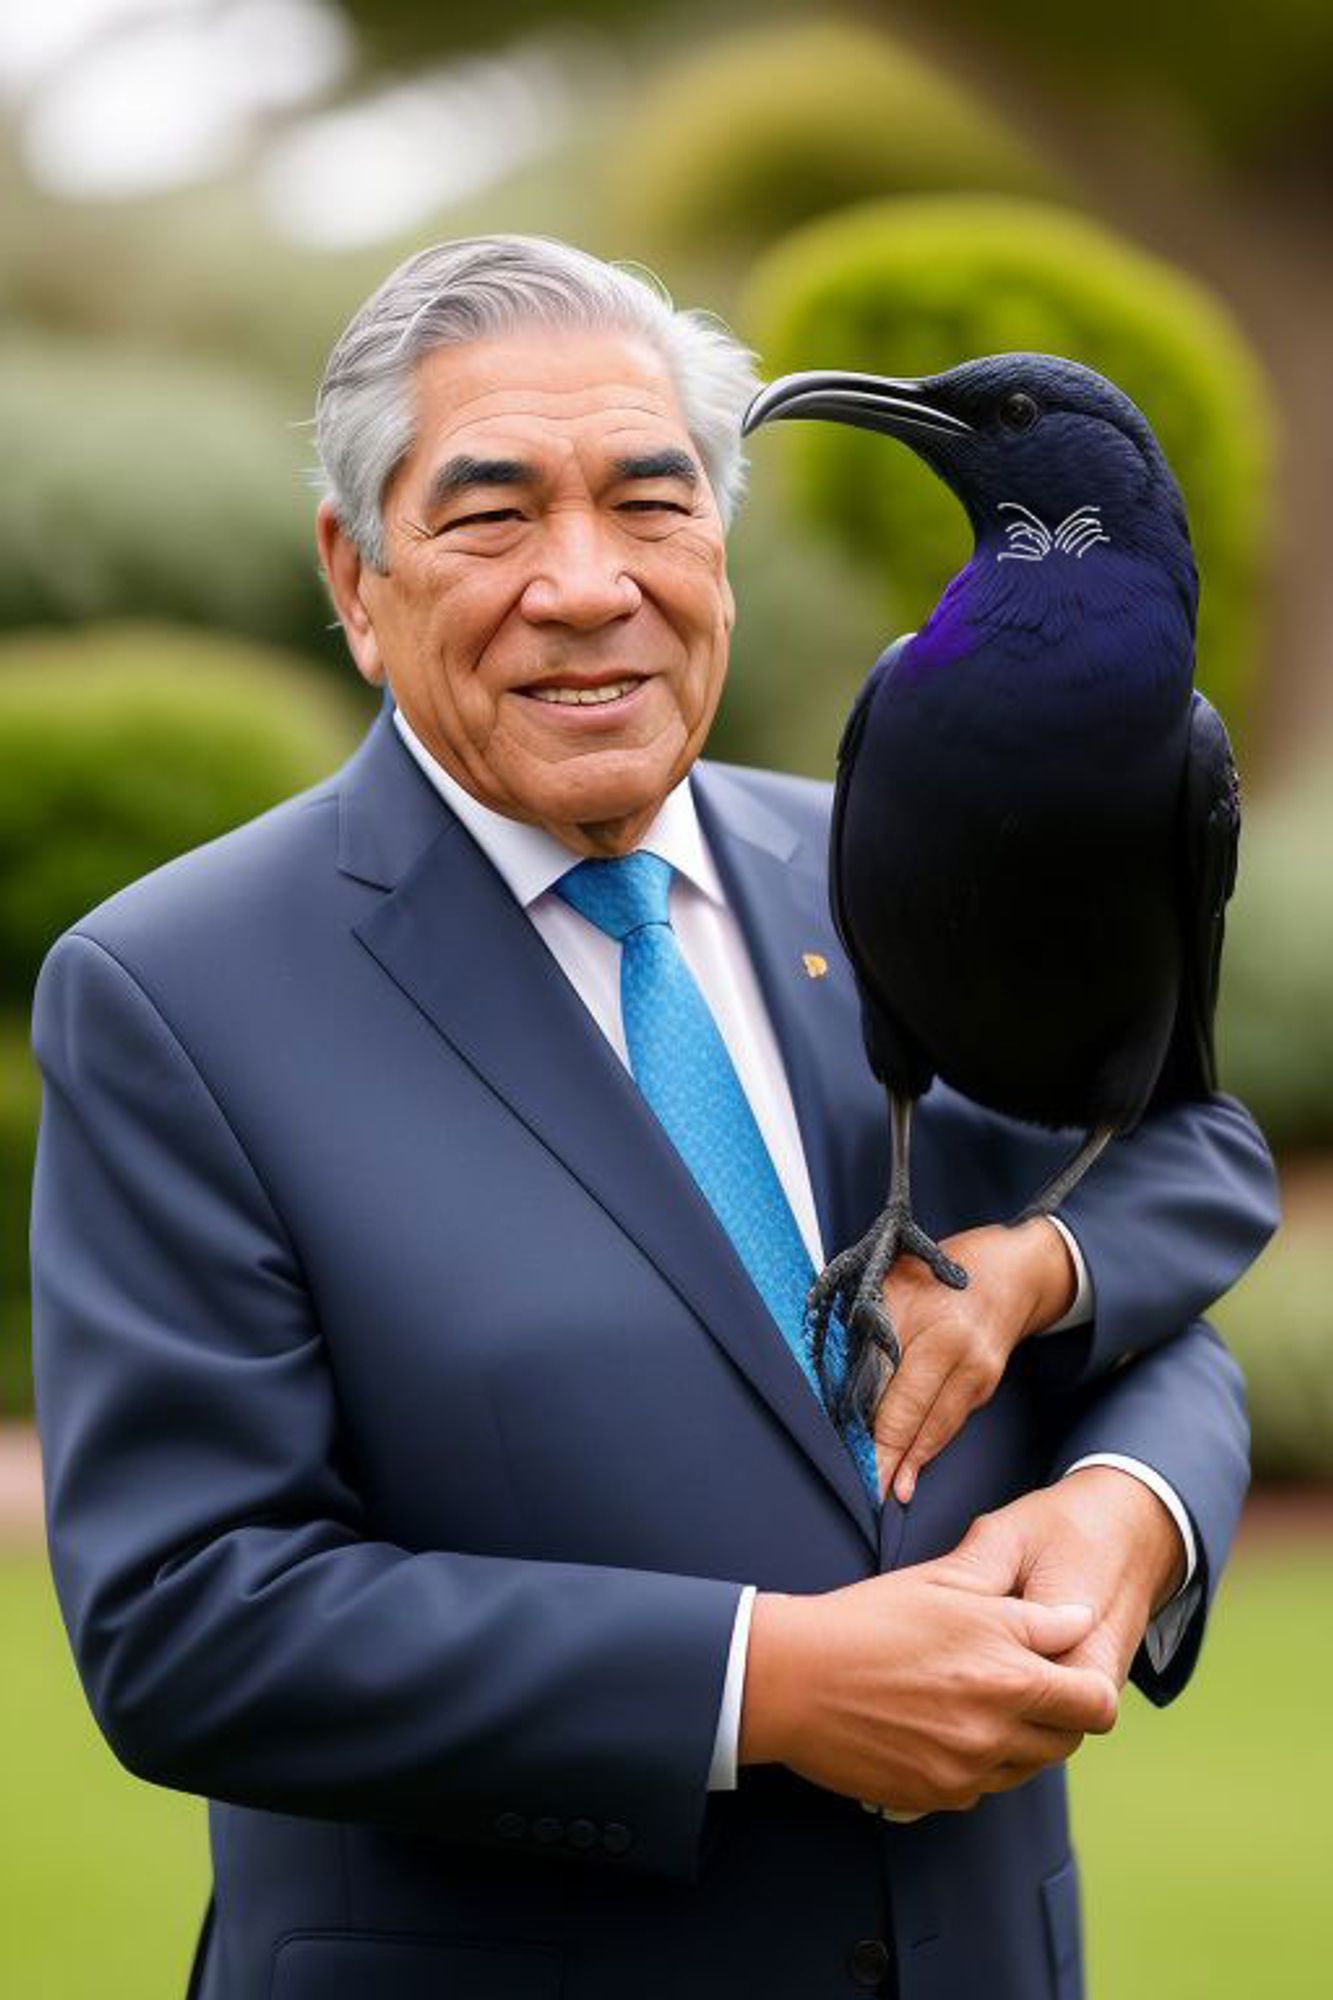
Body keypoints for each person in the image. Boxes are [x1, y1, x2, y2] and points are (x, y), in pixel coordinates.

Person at [29, 235, 1278, 2000]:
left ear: (720, 550)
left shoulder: (891, 845)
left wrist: (1128, 1506)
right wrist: (767, 1682)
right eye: (489, 518)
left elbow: (1137, 1282)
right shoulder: (177, 989)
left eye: (651, 501)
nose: (586, 584)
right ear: (355, 576)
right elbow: (190, 1625)